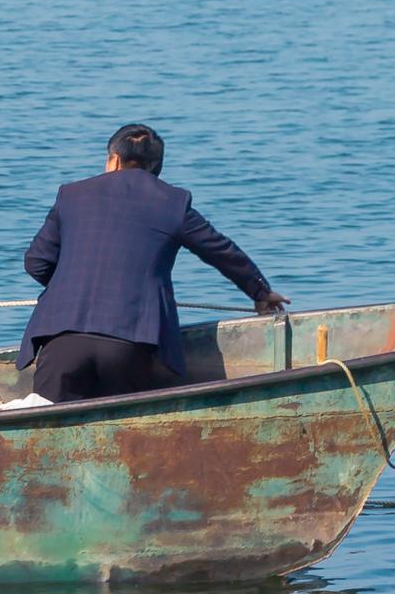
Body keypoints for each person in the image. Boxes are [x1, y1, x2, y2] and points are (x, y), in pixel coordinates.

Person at [17, 123, 291, 403]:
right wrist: (260, 291)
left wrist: (73, 285)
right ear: (156, 167)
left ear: (113, 160)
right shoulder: (173, 202)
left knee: (47, 425)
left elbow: (36, 263)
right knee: (127, 432)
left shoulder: (71, 194)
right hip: (130, 342)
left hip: (62, 342)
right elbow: (220, 250)